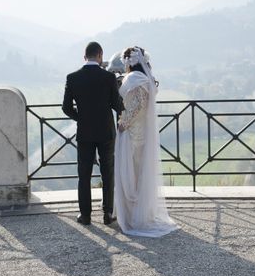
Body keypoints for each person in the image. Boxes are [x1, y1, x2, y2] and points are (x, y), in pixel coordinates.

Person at [114, 46, 178, 237]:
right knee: (140, 171)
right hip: (143, 130)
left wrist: (124, 122)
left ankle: (134, 215)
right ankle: (140, 212)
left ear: (129, 63)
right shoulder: (147, 79)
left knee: (131, 172)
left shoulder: (133, 79)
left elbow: (139, 104)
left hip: (132, 131)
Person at [62, 41, 123, 225]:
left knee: (84, 174)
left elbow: (66, 107)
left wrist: (81, 118)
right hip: (106, 132)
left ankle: (85, 215)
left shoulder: (72, 78)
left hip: (85, 133)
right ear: (100, 55)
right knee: (108, 172)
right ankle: (107, 213)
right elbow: (117, 105)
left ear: (84, 56)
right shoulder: (108, 78)